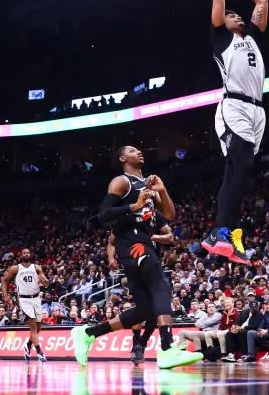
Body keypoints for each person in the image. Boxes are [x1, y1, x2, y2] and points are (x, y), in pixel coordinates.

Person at [71, 145, 202, 370]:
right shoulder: (122, 182)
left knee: (146, 310)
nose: (139, 152)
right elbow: (103, 214)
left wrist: (162, 190)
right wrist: (134, 205)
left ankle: (88, 333)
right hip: (132, 245)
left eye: (139, 150)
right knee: (161, 285)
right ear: (122, 158)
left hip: (143, 245)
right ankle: (167, 349)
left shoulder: (147, 187)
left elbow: (169, 215)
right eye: (132, 151)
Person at [201, 0, 269, 264]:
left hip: (257, 111)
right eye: (231, 15)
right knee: (241, 168)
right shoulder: (221, 40)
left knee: (236, 174)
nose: (237, 16)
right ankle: (220, 232)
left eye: (237, 15)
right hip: (235, 107)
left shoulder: (252, 38)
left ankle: (232, 238)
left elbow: (262, 2)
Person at [107, 213, 175, 365]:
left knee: (155, 309)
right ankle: (137, 342)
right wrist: (111, 258)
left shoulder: (155, 216)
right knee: (142, 308)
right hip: (134, 270)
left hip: (152, 265)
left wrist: (150, 237)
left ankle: (143, 343)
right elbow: (111, 242)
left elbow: (171, 237)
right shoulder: (125, 218)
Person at [2, 249, 50, 362]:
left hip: (37, 298)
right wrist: (6, 295)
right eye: (24, 253)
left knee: (38, 328)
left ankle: (28, 345)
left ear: (30, 255)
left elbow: (46, 282)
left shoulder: (37, 267)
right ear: (20, 255)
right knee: (33, 327)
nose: (27, 254)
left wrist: (45, 281)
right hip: (24, 300)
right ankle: (40, 352)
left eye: (28, 253)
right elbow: (4, 280)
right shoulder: (15, 268)